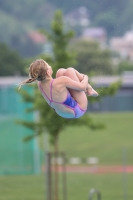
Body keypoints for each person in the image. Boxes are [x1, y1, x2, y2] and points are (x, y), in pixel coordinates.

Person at [19, 59, 98, 119]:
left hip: (63, 113)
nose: (50, 66)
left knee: (60, 72)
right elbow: (82, 87)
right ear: (48, 72)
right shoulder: (61, 81)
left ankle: (88, 89)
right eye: (48, 65)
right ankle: (90, 88)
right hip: (78, 110)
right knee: (70, 70)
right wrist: (85, 77)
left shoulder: (40, 85)